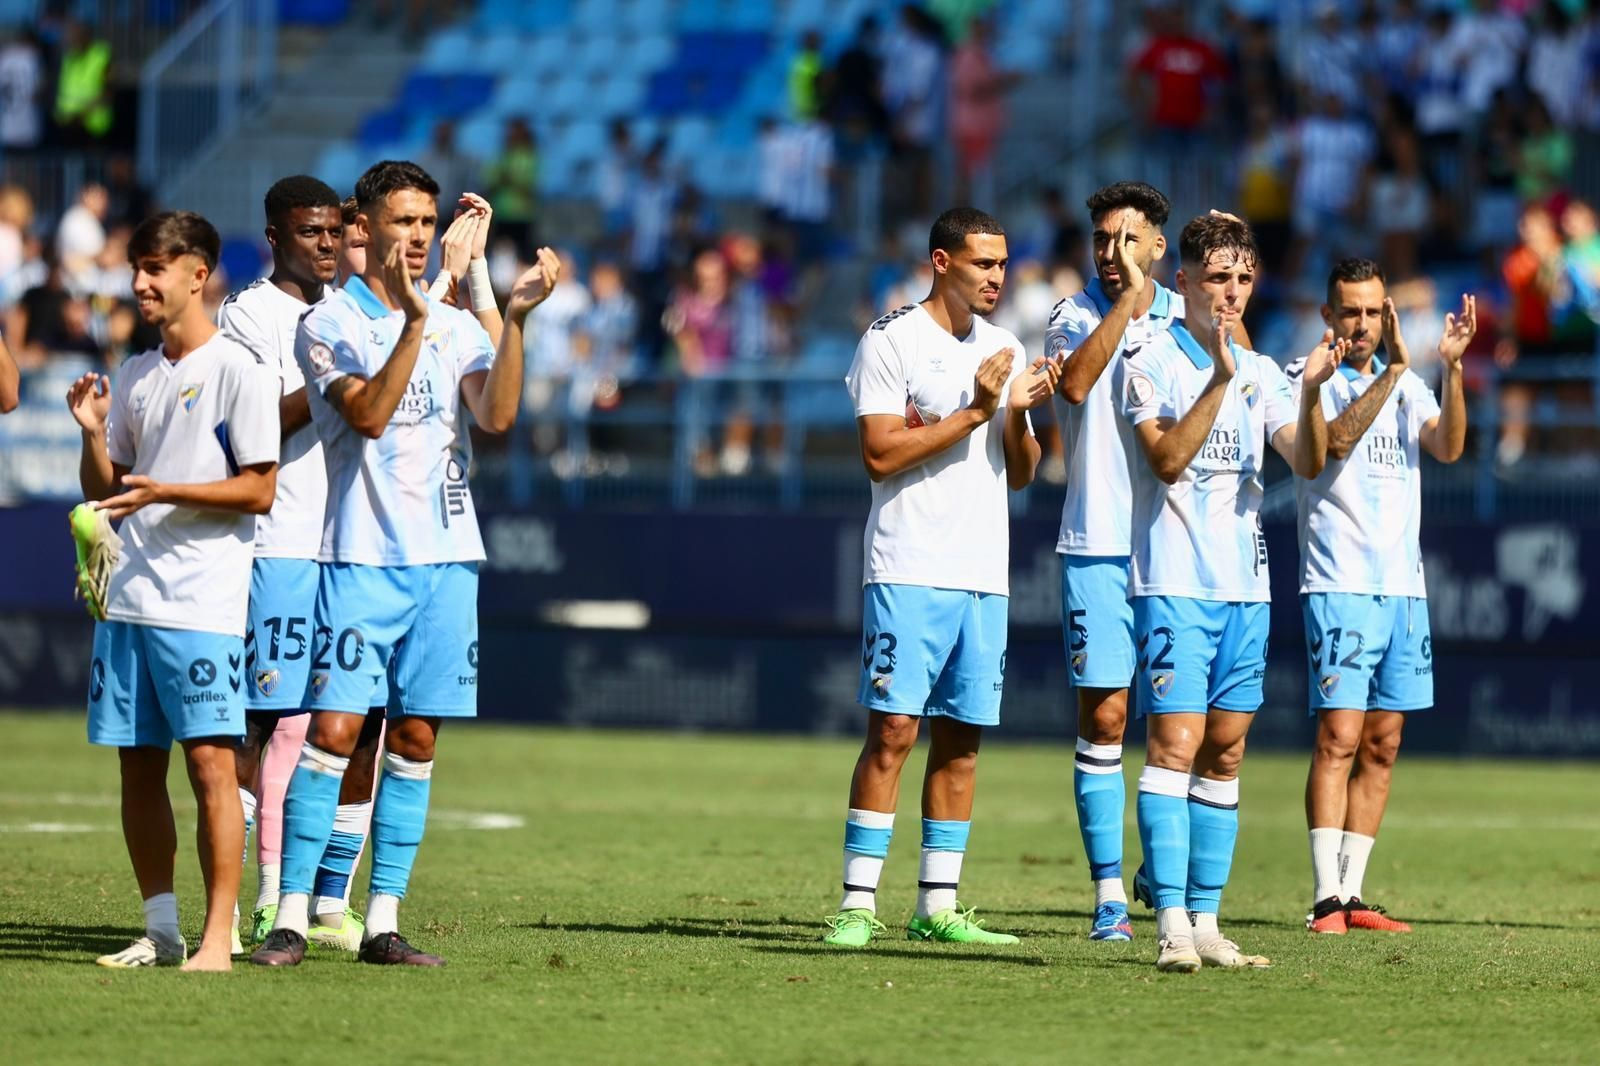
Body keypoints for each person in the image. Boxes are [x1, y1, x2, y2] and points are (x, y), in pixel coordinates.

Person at [250, 160, 559, 967]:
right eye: (404, 223)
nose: (419, 238)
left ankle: (382, 920)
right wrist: (418, 321)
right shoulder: (328, 323)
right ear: (367, 228)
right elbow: (370, 416)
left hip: (448, 561)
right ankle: (290, 914)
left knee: (416, 737)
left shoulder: (458, 323)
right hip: (360, 557)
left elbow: (496, 415)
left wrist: (514, 318)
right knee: (335, 730)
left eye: (428, 223)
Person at [822, 207, 1061, 948]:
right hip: (909, 564)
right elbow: (880, 455)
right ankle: (859, 904)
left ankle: (938, 905)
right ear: (942, 261)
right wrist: (976, 410)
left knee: (961, 742)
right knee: (893, 731)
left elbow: (1022, 474)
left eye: (1003, 263)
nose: (998, 276)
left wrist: (1016, 418)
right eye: (984, 263)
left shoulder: (1004, 346)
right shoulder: (892, 339)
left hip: (983, 572)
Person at [1117, 213, 1342, 972]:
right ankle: (1172, 922)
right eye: (1218, 278)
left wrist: (1309, 395)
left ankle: (1208, 922)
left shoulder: (1262, 368)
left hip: (1247, 585)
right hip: (1175, 580)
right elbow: (1168, 462)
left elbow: (1306, 460)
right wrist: (1218, 375)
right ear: (1180, 280)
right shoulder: (1147, 358)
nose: (1232, 292)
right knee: (1174, 744)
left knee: (1227, 751)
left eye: (1244, 279)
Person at [65, 211, 279, 970]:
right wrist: (93, 434)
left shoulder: (240, 371)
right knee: (135, 763)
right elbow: (111, 492)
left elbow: (259, 489)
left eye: (156, 268)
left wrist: (167, 491)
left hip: (201, 604)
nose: (140, 283)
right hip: (127, 598)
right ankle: (161, 931)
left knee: (211, 767)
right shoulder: (135, 374)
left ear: (199, 273)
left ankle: (217, 939)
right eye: (136, 268)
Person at [216, 175, 386, 954]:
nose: (326, 244)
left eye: (334, 232)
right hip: (280, 539)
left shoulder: (353, 309)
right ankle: (264, 895)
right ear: (276, 238)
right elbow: (253, 424)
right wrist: (331, 387)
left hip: (355, 540)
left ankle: (330, 903)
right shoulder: (250, 314)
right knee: (273, 721)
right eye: (310, 233)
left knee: (360, 725)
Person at [1295, 259, 1472, 936]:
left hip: (1404, 585)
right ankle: (1323, 901)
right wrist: (1398, 372)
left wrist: (1451, 371)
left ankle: (1353, 894)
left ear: (1386, 314)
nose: (1362, 324)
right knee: (1339, 736)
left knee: (1384, 741)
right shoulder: (1308, 380)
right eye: (1350, 311)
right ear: (1328, 315)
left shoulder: (1411, 385)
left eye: (1372, 312)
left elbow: (1449, 447)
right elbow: (1333, 445)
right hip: (1339, 581)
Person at [1043, 181, 1183, 943]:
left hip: (1177, 551)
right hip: (1097, 542)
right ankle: (1106, 896)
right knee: (1105, 716)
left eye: (1126, 240)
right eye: (1100, 238)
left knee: (1180, 725)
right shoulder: (1073, 313)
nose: (1109, 252)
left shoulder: (1191, 318)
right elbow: (1073, 383)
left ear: (1158, 246)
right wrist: (1127, 302)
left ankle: (1160, 869)